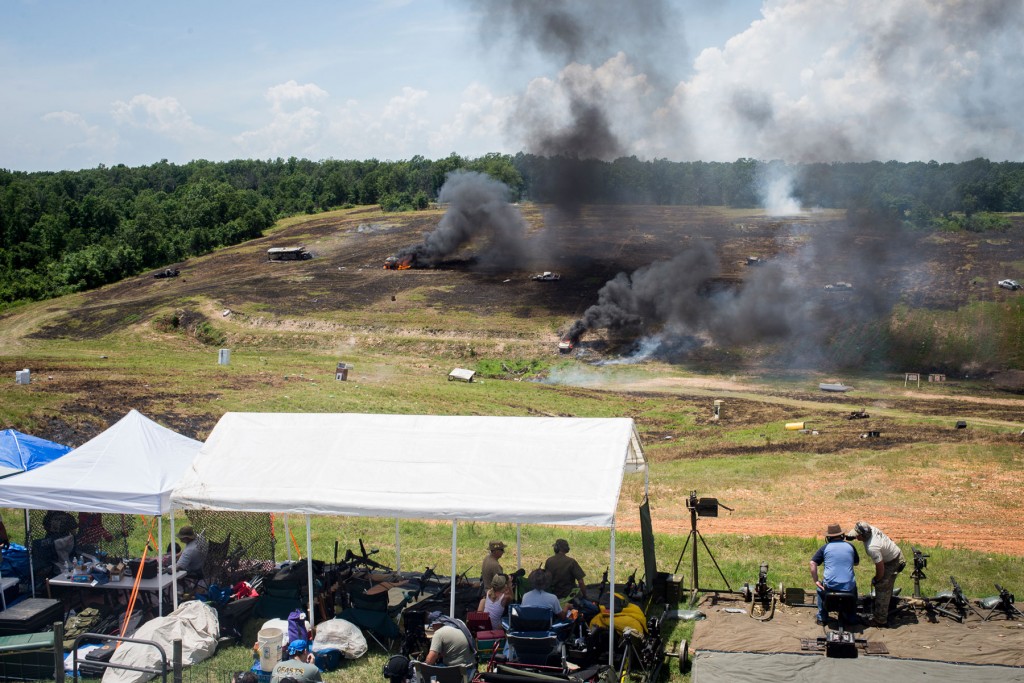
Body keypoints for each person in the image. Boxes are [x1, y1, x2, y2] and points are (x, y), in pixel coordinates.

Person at [846, 521, 906, 627]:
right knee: (885, 586)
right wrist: (851, 536)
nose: (856, 537)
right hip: (893, 553)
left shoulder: (872, 547)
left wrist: (877, 579)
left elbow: (880, 566)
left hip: (892, 562)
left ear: (863, 535)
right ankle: (887, 604)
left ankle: (880, 619)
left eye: (857, 536)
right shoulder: (870, 529)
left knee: (882, 586)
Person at [809, 523, 860, 626]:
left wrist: (816, 581)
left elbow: (812, 563)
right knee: (854, 587)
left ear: (828, 537)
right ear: (842, 535)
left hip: (830, 586)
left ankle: (822, 618)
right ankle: (851, 617)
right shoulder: (850, 546)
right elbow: (856, 563)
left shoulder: (825, 548)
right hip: (848, 587)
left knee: (820, 589)